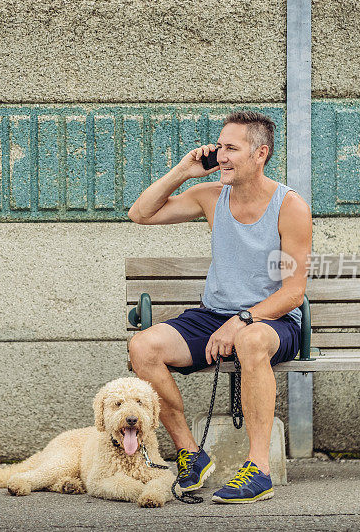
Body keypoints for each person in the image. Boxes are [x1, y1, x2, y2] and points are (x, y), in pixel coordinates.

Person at [127, 110, 312, 504]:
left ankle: (258, 469)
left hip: (271, 319)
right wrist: (183, 170)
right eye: (220, 147)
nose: (221, 156)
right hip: (213, 315)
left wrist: (243, 320)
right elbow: (140, 214)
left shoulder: (289, 206)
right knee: (143, 347)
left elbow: (292, 292)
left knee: (249, 341)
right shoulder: (211, 197)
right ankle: (191, 454)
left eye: (232, 148)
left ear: (260, 154)